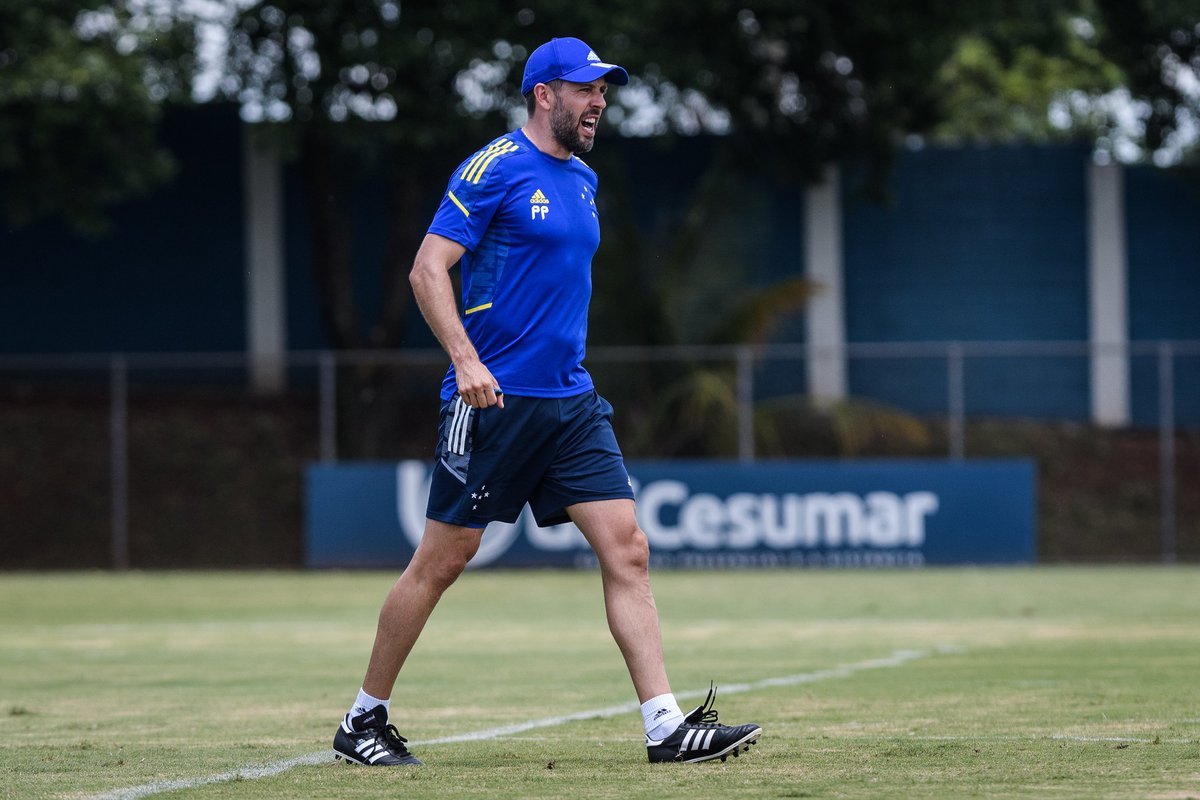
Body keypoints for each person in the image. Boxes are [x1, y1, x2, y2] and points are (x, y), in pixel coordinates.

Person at [332, 36, 762, 767]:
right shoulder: (494, 167)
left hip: (571, 401)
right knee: (442, 561)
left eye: (604, 90)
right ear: (544, 94)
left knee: (628, 548)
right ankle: (362, 721)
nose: (599, 101)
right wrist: (465, 361)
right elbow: (427, 268)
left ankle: (664, 726)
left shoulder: (584, 181)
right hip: (495, 401)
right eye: (586, 88)